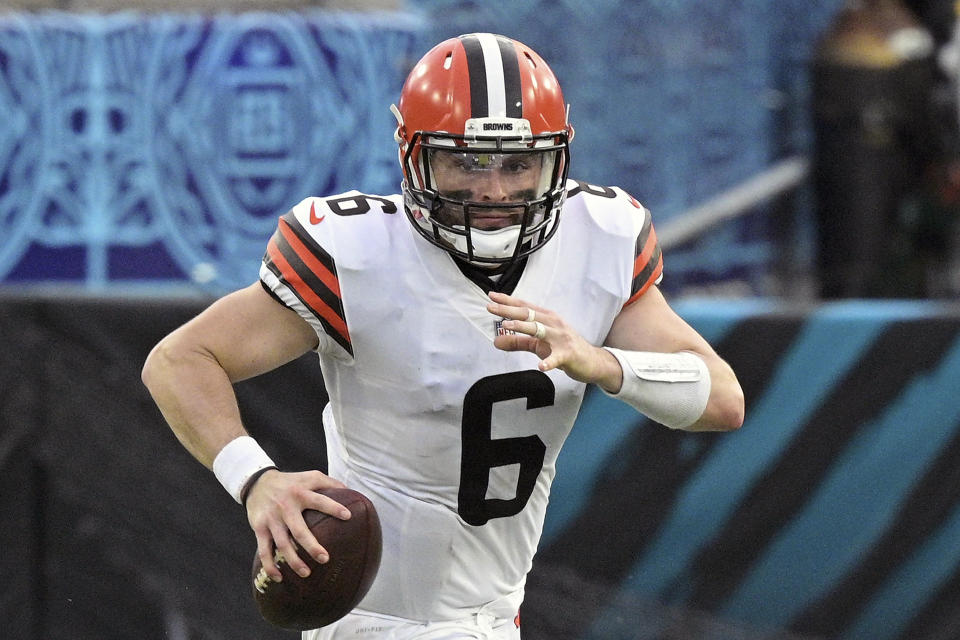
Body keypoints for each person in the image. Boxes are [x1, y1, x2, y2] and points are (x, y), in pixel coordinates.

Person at [141, 32, 744, 639]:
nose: (494, 191)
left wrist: (601, 362)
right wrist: (255, 481)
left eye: (517, 163)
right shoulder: (356, 253)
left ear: (557, 159)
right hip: (371, 623)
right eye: (467, 160)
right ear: (414, 156)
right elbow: (181, 359)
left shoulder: (601, 238)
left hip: (494, 619)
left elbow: (722, 400)